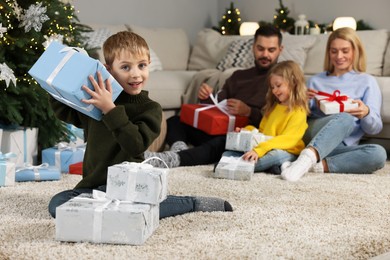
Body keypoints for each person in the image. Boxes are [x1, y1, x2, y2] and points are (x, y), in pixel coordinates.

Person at [48, 31, 233, 218]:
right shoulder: (99, 100)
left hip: (131, 187)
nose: (136, 74)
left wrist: (110, 110)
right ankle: (111, 208)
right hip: (94, 187)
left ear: (148, 66)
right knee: (57, 205)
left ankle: (191, 203)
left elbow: (135, 144)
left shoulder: (150, 109)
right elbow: (66, 112)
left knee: (137, 209)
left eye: (142, 66)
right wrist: (55, 84)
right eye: (126, 67)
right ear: (108, 70)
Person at [145, 24, 284, 169]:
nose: (265, 55)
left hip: (245, 137)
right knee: (175, 121)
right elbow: (218, 103)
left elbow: (277, 119)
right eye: (260, 48)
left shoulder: (281, 82)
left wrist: (248, 111)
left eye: (271, 50)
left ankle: (173, 159)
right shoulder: (238, 76)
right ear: (253, 47)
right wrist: (207, 97)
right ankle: (179, 149)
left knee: (221, 144)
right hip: (219, 127)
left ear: (280, 50)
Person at [281, 27, 387, 182]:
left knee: (379, 154)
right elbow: (298, 119)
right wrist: (302, 102)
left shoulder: (367, 82)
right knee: (346, 118)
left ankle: (311, 164)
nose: (339, 56)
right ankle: (307, 157)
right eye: (334, 51)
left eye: (345, 51)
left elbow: (374, 128)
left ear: (355, 52)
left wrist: (366, 113)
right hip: (314, 135)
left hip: (340, 147)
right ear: (328, 53)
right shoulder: (316, 81)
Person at [219, 60, 309, 173]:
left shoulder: (298, 111)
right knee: (228, 153)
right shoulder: (273, 107)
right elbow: (262, 132)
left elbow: (288, 140)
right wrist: (246, 131)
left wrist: (260, 150)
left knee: (273, 156)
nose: (275, 90)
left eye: (278, 85)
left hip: (287, 151)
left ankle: (237, 167)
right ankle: (267, 166)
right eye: (272, 87)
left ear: (293, 83)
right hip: (266, 147)